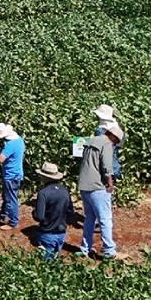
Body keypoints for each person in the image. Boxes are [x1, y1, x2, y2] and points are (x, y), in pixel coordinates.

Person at [78, 112, 123, 260]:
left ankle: (85, 249)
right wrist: (110, 184)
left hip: (84, 185)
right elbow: (107, 167)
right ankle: (109, 250)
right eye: (116, 142)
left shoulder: (91, 140)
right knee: (105, 219)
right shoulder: (107, 144)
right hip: (97, 187)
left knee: (89, 218)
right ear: (114, 137)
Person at [32, 162, 74, 259]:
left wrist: (33, 212)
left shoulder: (43, 193)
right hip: (61, 234)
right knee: (55, 261)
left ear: (44, 177)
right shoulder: (65, 191)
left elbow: (39, 217)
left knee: (46, 264)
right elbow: (70, 212)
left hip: (47, 234)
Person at [0, 123, 25, 229]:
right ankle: (3, 215)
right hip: (16, 173)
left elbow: (1, 159)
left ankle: (13, 222)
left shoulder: (10, 145)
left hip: (10, 175)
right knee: (8, 196)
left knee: (11, 198)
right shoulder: (19, 140)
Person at [91, 104, 124, 181]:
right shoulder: (118, 129)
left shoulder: (100, 131)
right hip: (115, 167)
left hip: (104, 169)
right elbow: (119, 146)